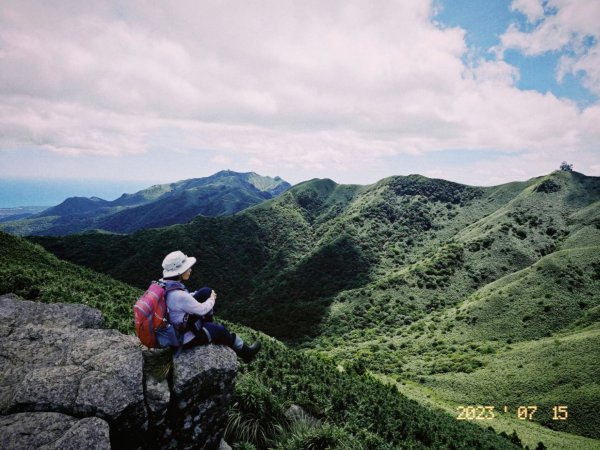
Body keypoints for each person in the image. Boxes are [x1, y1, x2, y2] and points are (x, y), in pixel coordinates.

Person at [161, 250, 261, 363]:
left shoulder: (165, 284)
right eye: (187, 267)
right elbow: (202, 309)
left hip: (176, 324)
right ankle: (247, 353)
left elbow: (181, 300)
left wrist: (201, 294)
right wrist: (212, 299)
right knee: (222, 331)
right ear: (179, 272)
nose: (190, 269)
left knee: (205, 291)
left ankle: (208, 325)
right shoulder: (179, 296)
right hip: (185, 337)